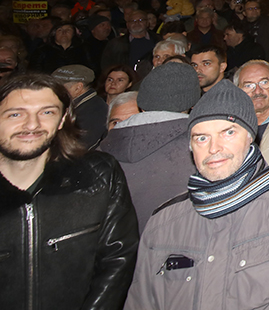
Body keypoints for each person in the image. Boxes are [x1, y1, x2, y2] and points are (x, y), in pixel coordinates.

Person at [124, 80, 269, 310]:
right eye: (201, 138)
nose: (213, 148)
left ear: (250, 136)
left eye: (228, 132)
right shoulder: (163, 222)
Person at [0, 73, 139, 310]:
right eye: (16, 114)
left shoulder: (97, 176)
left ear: (63, 119)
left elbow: (117, 260)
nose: (32, 124)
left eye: (47, 112)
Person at [99, 60, 201, 227]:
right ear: (193, 103)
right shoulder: (201, 150)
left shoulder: (100, 149)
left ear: (142, 103)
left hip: (117, 249)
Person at [52, 63, 110, 148]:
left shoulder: (95, 110)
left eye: (59, 86)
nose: (53, 90)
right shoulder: (72, 103)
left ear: (78, 87)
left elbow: (79, 146)